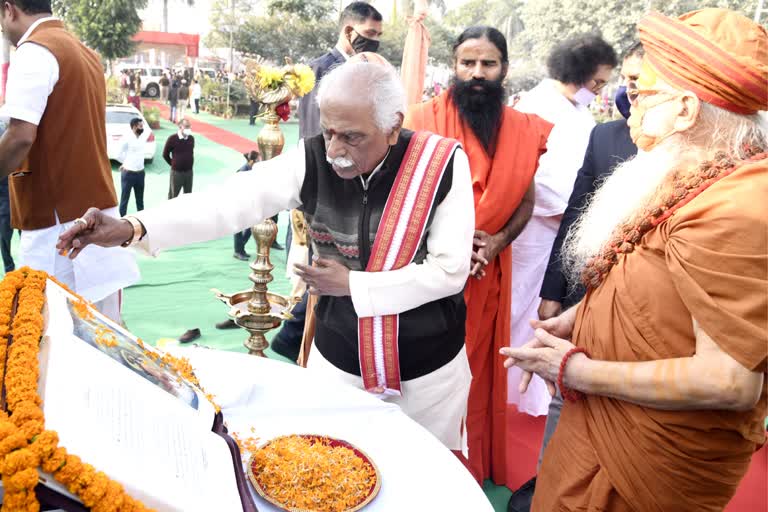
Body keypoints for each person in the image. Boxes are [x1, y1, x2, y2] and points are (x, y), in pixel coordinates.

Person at [58, 58, 476, 453]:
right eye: (329, 132)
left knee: (423, 481)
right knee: (329, 476)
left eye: (352, 136)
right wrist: (133, 228)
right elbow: (230, 201)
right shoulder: (314, 159)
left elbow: (449, 272)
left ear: (392, 127)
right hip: (339, 364)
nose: (335, 150)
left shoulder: (440, 164)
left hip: (428, 375)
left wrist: (353, 285)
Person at [501, 8, 767, 511]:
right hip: (599, 426)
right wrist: (577, 318)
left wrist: (574, 371)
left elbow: (729, 381)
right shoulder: (689, 175)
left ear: (686, 110)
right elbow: (653, 283)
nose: (629, 104)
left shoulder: (737, 207)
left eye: (643, 93)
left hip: (647, 457)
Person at [404, 26, 553, 485]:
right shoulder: (421, 119)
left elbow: (526, 202)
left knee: (477, 372)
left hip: (489, 269)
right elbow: (403, 197)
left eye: (488, 64)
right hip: (430, 274)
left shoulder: (525, 130)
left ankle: (468, 467)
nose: (477, 73)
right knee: (428, 372)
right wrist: (448, 243)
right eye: (468, 63)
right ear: (454, 65)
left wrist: (495, 241)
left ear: (504, 68)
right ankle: (420, 466)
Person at [506, 42, 643, 512]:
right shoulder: (606, 137)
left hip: (650, 334)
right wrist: (552, 295)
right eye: (629, 80)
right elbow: (573, 220)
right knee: (565, 412)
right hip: (583, 301)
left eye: (647, 82)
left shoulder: (717, 161)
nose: (634, 92)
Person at [0, 0, 138, 322]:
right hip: (97, 220)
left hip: (59, 233)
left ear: (9, 9)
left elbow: (20, 135)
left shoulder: (33, 51)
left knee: (52, 340)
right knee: (106, 337)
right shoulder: (85, 53)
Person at [507, 34, 617, 418]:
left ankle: (534, 391)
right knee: (521, 309)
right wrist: (571, 210)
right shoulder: (537, 105)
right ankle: (514, 389)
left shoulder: (579, 112)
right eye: (598, 82)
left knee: (544, 312)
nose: (599, 90)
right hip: (535, 229)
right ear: (579, 71)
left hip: (566, 231)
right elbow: (532, 177)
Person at [297, 1, 382, 139]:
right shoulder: (319, 69)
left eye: (378, 35)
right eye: (370, 33)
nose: (375, 40)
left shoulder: (369, 71)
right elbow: (312, 127)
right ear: (348, 32)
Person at [117, 117, 149, 217]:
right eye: (140, 126)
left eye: (142, 125)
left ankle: (142, 220)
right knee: (124, 200)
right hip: (128, 174)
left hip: (140, 173)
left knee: (140, 200)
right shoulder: (127, 138)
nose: (142, 127)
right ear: (134, 127)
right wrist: (125, 164)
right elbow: (119, 154)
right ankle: (121, 221)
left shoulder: (142, 137)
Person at [163, 118, 195, 199]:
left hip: (189, 173)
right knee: (173, 196)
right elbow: (165, 154)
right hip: (176, 173)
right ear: (180, 126)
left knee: (188, 196)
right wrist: (173, 164)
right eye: (186, 126)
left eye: (189, 126)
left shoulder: (191, 139)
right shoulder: (172, 139)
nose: (189, 128)